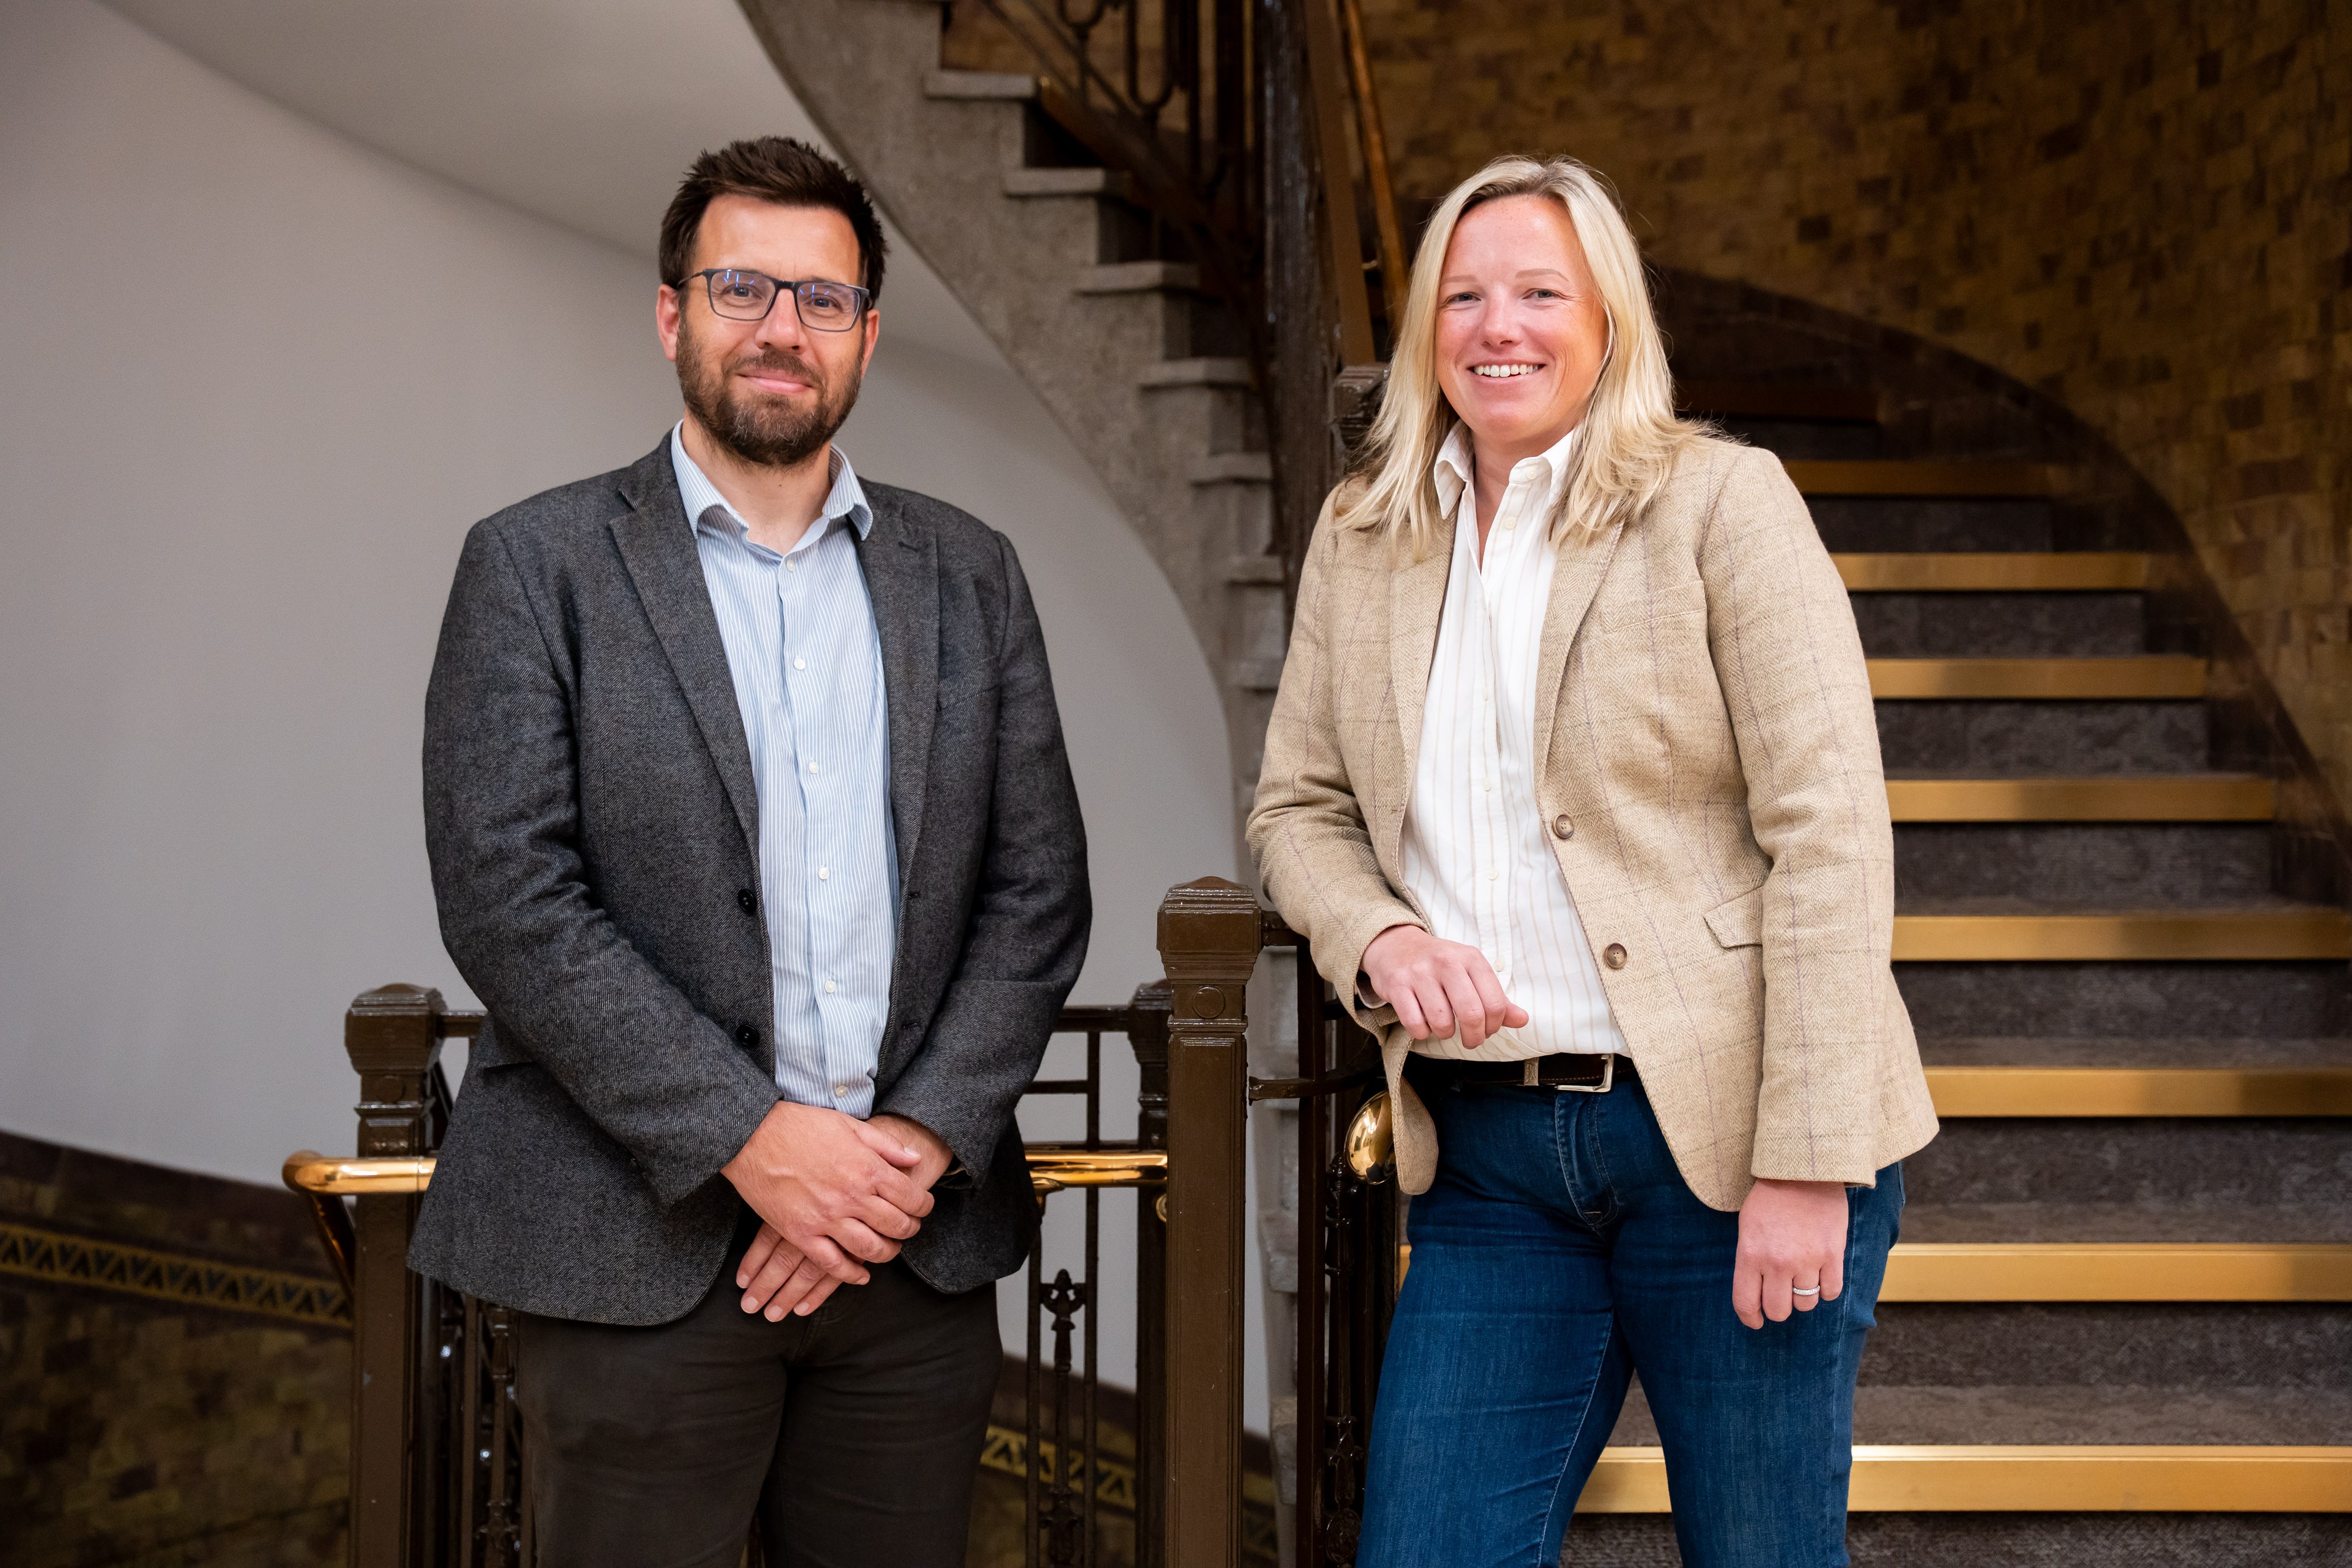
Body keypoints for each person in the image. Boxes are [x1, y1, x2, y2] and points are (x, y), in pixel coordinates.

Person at [1247, 153, 1938, 1567]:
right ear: (1425, 329)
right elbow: (1295, 812)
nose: (1497, 326)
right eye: (1463, 294)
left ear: (1606, 319)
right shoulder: (1362, 530)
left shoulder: (1719, 503)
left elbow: (1827, 832)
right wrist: (1377, 938)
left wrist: (1806, 1162)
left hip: (1730, 1142)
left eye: (1538, 293)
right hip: (1490, 1164)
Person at [409, 136, 1089, 1566]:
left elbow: (1036, 897)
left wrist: (893, 1155)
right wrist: (754, 1142)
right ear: (672, 315)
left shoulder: (970, 573)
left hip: (906, 1261)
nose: (781, 327)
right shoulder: (535, 567)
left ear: (865, 337)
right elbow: (509, 895)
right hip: (630, 1253)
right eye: (741, 288)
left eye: (820, 300)